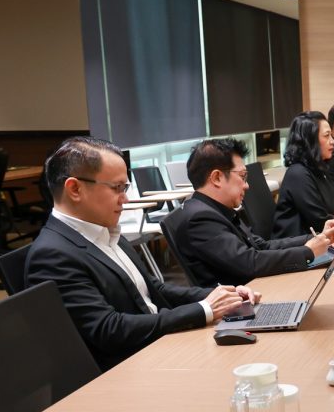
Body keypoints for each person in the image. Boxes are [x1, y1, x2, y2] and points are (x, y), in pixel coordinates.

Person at [25, 137, 253, 371]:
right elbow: (109, 329)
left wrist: (223, 295)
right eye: (117, 188)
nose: (125, 199)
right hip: (130, 368)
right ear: (75, 189)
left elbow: (155, 289)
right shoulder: (52, 255)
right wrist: (203, 310)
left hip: (159, 346)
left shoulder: (106, 230)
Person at [168, 138, 334, 288]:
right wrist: (307, 252)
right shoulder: (200, 218)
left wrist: (316, 238)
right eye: (242, 176)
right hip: (242, 302)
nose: (247, 185)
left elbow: (262, 247)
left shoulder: (216, 209)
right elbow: (249, 263)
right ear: (217, 178)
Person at [274, 111, 334, 239]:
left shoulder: (319, 168)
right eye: (326, 136)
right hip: (297, 245)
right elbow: (321, 224)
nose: (332, 141)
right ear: (309, 140)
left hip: (321, 241)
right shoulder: (298, 174)